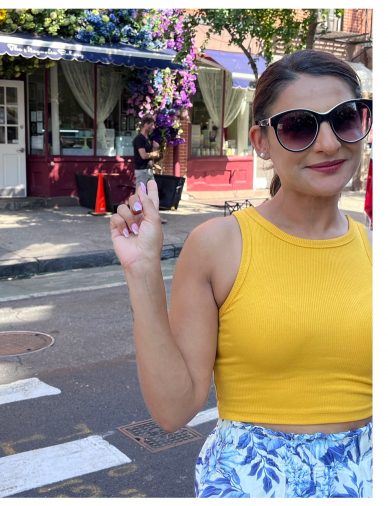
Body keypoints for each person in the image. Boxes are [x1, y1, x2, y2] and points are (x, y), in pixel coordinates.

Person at [109, 49, 372, 498]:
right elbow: (173, 410)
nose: (329, 143)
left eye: (345, 119)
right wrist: (143, 272)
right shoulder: (220, 245)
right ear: (261, 141)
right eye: (299, 126)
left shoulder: (372, 246)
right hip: (253, 481)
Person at [132, 115, 166, 223]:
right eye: (151, 124)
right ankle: (136, 219)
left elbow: (152, 154)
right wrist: (154, 154)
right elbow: (143, 155)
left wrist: (155, 147)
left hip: (149, 170)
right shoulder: (139, 139)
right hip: (141, 171)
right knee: (140, 195)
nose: (153, 127)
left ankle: (155, 217)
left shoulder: (149, 138)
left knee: (153, 194)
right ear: (145, 124)